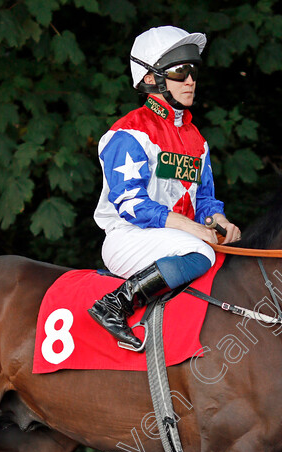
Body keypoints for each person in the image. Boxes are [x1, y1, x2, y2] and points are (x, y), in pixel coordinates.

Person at [89, 26, 241, 349]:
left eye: (194, 70)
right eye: (180, 71)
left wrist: (219, 222)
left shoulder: (196, 139)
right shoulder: (127, 134)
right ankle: (116, 303)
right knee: (200, 251)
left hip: (174, 239)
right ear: (149, 79)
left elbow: (205, 201)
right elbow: (131, 205)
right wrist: (192, 228)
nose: (190, 80)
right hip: (127, 238)